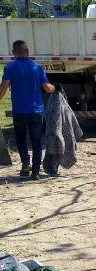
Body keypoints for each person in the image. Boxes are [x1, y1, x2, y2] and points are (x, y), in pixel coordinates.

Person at [0, 40, 55, 180]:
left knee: (21, 139)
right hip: (36, 111)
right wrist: (55, 88)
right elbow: (47, 88)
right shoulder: (37, 67)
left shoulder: (10, 68)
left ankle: (25, 165)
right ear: (28, 51)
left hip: (19, 111)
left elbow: (4, 88)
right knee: (36, 141)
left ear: (13, 53)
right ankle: (35, 172)